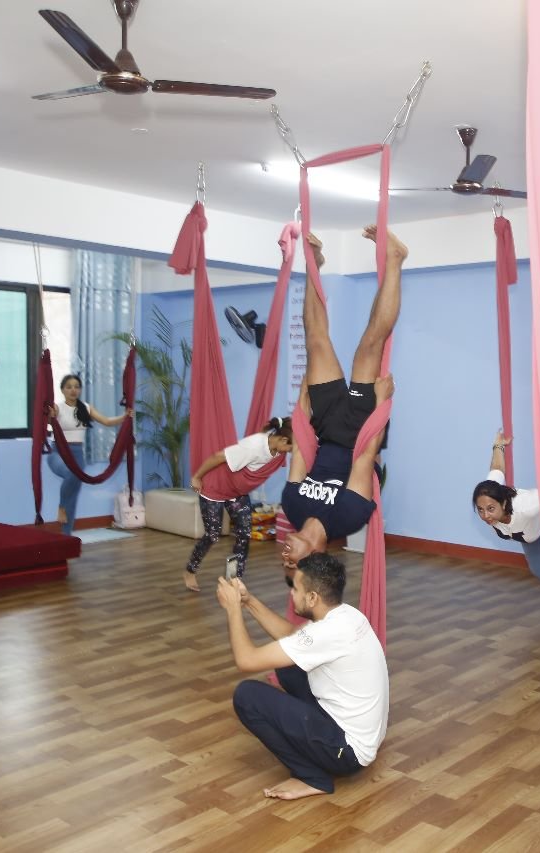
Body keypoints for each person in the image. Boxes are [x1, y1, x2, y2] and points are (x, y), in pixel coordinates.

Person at [216, 552, 389, 800]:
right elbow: (293, 637)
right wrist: (248, 601)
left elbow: (246, 660)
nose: (291, 594)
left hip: (347, 752)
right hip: (358, 734)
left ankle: (312, 777)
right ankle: (316, 754)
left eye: (295, 589)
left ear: (312, 597)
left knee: (247, 695)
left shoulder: (327, 633)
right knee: (287, 664)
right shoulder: (345, 615)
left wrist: (232, 610)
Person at [280, 227, 403, 569]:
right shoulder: (347, 519)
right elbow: (366, 458)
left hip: (325, 425)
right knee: (370, 345)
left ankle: (314, 263)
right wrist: (382, 404)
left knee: (315, 340)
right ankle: (395, 259)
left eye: (283, 561)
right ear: (314, 557)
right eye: (292, 563)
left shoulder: (292, 506)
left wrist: (303, 400)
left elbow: (302, 455)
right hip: (359, 433)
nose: (285, 556)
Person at [184, 416, 294, 592]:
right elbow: (218, 456)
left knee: (244, 534)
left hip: (236, 492)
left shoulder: (277, 451)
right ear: (282, 439)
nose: (290, 451)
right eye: (290, 447)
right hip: (215, 487)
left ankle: (232, 578)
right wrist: (196, 477)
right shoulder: (252, 446)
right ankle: (190, 570)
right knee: (212, 535)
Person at [46, 374, 133, 534]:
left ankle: (67, 535)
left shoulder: (86, 408)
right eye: (69, 387)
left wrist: (125, 417)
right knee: (70, 475)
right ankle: (61, 507)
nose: (73, 390)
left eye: (76, 387)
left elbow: (106, 421)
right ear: (62, 390)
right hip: (58, 453)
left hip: (77, 455)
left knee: (73, 496)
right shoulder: (57, 408)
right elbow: (45, 421)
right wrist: (49, 415)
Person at [472, 429, 540, 589]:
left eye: (490, 509)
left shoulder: (528, 506)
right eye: (480, 510)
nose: (485, 515)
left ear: (503, 503)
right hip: (534, 533)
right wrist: (498, 446)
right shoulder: (489, 492)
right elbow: (497, 468)